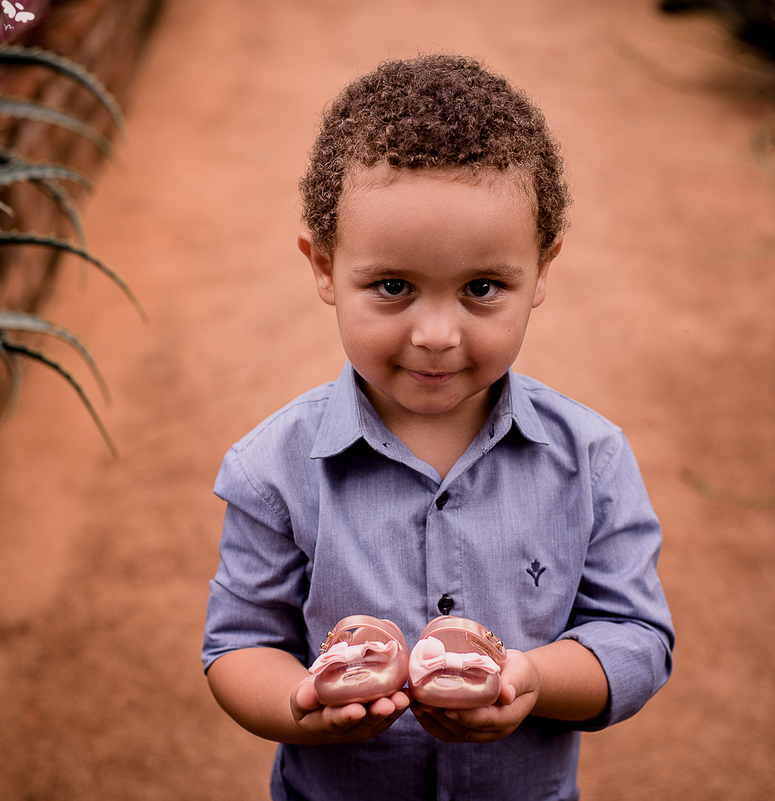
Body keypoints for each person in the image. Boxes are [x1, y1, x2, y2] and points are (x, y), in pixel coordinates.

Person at [202, 53, 673, 801]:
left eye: (482, 288)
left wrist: (533, 678)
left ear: (542, 269)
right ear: (323, 266)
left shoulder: (591, 459)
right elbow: (238, 646)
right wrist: (302, 703)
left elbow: (637, 639)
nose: (436, 334)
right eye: (393, 286)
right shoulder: (273, 469)